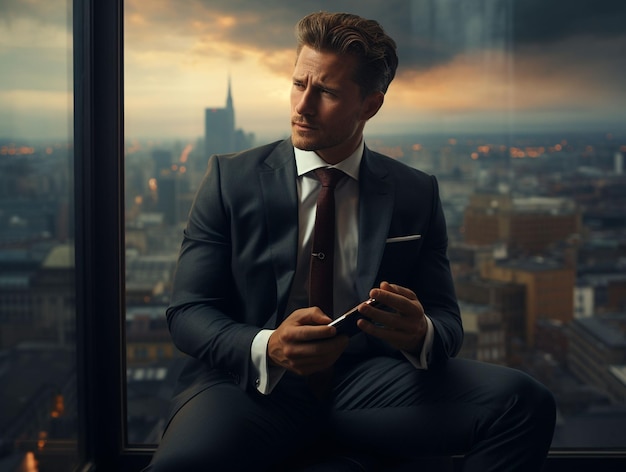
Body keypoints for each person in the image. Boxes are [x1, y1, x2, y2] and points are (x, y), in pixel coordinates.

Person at [146, 11, 556, 472]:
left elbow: (448, 323)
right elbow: (187, 313)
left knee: (525, 403)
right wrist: (267, 345)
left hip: (369, 384)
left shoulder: (416, 192)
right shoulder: (230, 179)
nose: (303, 105)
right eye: (299, 83)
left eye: (326, 91)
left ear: (370, 105)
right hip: (251, 387)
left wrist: (421, 332)